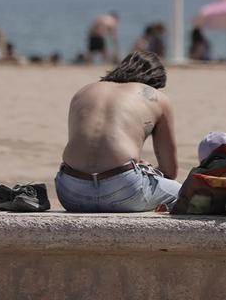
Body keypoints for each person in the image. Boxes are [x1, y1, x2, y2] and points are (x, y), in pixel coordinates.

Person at [54, 51, 181, 212]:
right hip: (124, 192)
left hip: (69, 193)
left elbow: (90, 149)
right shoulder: (156, 97)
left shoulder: (84, 91)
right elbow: (170, 171)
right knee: (182, 192)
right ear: (155, 81)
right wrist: (142, 169)